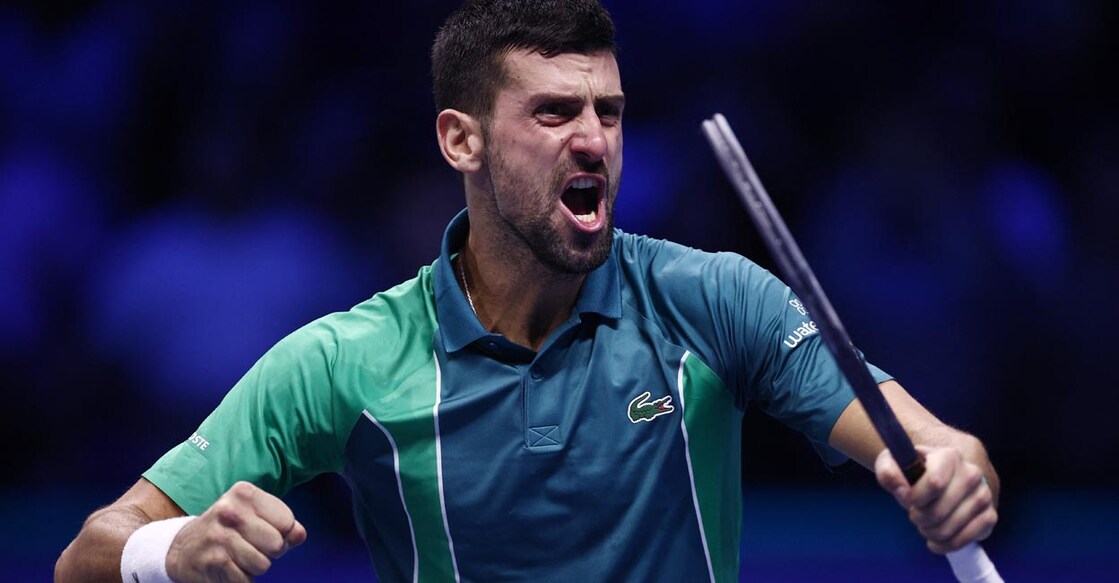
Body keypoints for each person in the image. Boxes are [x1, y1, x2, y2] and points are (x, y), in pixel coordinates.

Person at [55, 1, 999, 581]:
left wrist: (955, 470)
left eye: (610, 112)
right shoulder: (350, 358)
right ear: (460, 140)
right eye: (553, 112)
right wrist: (169, 554)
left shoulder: (712, 300)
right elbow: (87, 555)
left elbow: (925, 442)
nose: (593, 139)